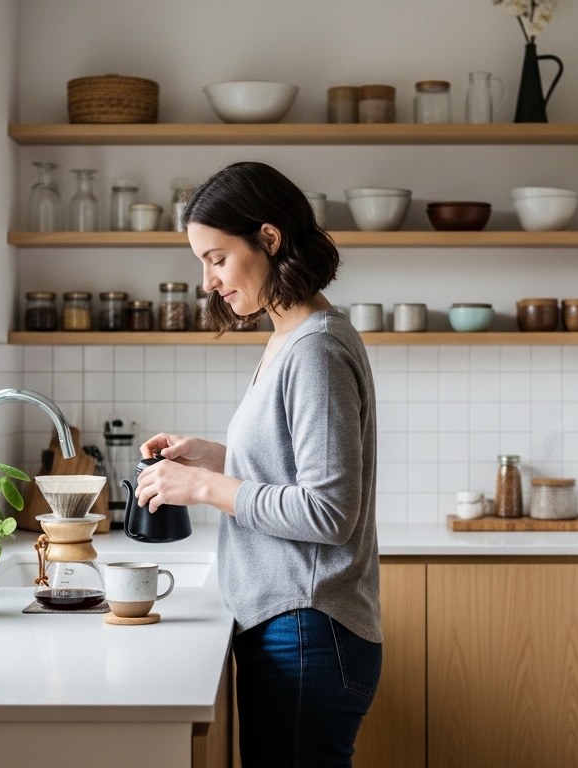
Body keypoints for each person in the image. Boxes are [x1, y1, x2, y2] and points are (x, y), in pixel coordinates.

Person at [133, 161, 381, 767]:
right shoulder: (290, 338)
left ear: (269, 240)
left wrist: (205, 485)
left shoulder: (315, 351)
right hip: (292, 625)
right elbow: (293, 467)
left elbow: (327, 513)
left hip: (308, 629)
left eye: (216, 258)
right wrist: (214, 456)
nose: (208, 281)